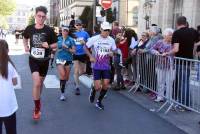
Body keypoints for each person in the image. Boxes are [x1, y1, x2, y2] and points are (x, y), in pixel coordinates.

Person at [23, 6, 57, 120]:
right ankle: (37, 108)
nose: (41, 18)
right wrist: (25, 46)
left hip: (44, 61)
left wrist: (49, 46)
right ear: (35, 16)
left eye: (43, 17)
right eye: (39, 16)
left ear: (45, 17)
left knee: (40, 84)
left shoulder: (49, 30)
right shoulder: (30, 28)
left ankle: (37, 99)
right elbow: (25, 37)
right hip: (33, 59)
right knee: (37, 83)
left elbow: (56, 44)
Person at [163, 16, 199, 107]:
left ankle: (184, 104)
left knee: (183, 83)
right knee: (186, 82)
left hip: (180, 61)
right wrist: (194, 48)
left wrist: (167, 53)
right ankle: (186, 103)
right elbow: (198, 42)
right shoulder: (193, 31)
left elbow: (176, 49)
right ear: (185, 22)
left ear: (177, 23)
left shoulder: (177, 33)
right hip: (188, 61)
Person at [85, 21, 116, 110]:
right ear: (101, 29)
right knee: (98, 87)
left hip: (106, 66)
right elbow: (85, 47)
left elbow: (114, 50)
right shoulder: (94, 39)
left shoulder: (111, 40)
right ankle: (93, 88)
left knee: (106, 84)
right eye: (105, 30)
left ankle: (99, 102)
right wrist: (90, 56)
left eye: (108, 30)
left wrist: (112, 53)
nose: (107, 32)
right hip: (96, 66)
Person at [150, 28, 175, 102]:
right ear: (165, 35)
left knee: (169, 82)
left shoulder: (174, 44)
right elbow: (152, 49)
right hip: (160, 65)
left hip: (170, 66)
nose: (171, 37)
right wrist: (156, 52)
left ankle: (169, 98)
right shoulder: (160, 42)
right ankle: (160, 96)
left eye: (172, 35)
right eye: (170, 35)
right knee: (160, 81)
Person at [0, 39, 18, 134]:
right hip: (9, 106)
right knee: (11, 131)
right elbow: (15, 82)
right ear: (7, 50)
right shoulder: (9, 65)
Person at [56, 26, 75, 101]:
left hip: (68, 59)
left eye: (66, 31)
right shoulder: (58, 39)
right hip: (59, 59)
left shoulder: (71, 40)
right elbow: (55, 48)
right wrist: (57, 49)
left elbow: (74, 51)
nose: (65, 32)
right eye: (64, 31)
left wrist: (67, 48)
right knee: (63, 75)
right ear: (62, 31)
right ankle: (62, 94)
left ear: (68, 32)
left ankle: (63, 85)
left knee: (66, 78)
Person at [73, 19, 90, 95]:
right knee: (76, 70)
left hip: (83, 54)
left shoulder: (85, 33)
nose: (78, 26)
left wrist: (85, 42)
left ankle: (76, 79)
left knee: (82, 71)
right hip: (75, 54)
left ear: (82, 25)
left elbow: (89, 43)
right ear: (75, 26)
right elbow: (70, 42)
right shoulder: (73, 34)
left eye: (80, 24)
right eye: (77, 25)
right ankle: (77, 86)